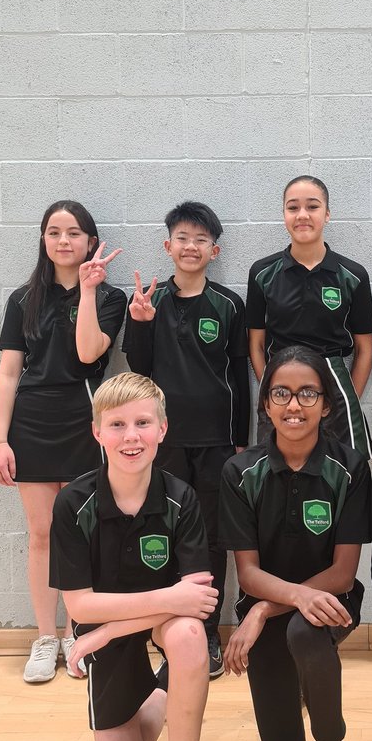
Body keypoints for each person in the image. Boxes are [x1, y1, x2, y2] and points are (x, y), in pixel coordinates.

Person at [52, 373, 219, 741]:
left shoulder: (181, 499)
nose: (131, 436)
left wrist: (104, 631)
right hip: (128, 624)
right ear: (97, 432)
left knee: (188, 634)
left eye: (142, 423)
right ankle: (169, 688)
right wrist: (159, 602)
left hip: (154, 625)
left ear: (162, 430)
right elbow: (80, 605)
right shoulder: (73, 504)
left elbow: (200, 601)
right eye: (118, 424)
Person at [218, 346, 371, 741]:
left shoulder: (350, 468)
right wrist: (264, 602)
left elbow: (344, 571)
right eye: (281, 392)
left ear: (327, 405)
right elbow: (247, 572)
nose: (294, 404)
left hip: (330, 604)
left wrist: (265, 608)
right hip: (269, 608)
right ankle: (304, 699)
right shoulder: (240, 472)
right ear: (265, 405)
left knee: (307, 633)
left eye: (308, 393)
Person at [0, 200, 126, 684]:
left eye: (73, 233)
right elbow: (9, 374)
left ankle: (79, 634)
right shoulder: (22, 300)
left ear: (90, 241)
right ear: (43, 241)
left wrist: (87, 291)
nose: (63, 241)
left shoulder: (110, 298)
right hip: (32, 424)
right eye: (53, 232)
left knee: (83, 531)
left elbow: (89, 352)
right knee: (43, 533)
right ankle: (46, 637)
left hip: (85, 420)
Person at [123, 201, 250, 680]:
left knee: (215, 537)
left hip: (217, 441)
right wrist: (139, 321)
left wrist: (240, 440)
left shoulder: (228, 305)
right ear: (167, 246)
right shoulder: (150, 302)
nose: (190, 246)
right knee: (169, 533)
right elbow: (139, 370)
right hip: (165, 443)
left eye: (200, 239)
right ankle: (169, 635)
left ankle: (209, 635)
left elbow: (241, 376)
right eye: (182, 237)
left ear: (214, 250)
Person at [246, 175, 372, 459]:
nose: (302, 215)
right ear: (284, 215)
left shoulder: (352, 275)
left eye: (312, 207)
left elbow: (365, 348)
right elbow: (255, 344)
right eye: (293, 208)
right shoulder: (262, 273)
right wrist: (271, 382)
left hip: (334, 381)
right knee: (275, 471)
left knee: (350, 471)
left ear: (327, 214)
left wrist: (343, 392)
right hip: (280, 381)